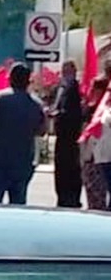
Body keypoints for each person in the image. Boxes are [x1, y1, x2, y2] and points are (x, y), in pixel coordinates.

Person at [0, 63, 46, 205]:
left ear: (10, 79)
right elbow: (42, 130)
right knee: (18, 206)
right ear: (28, 81)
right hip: (23, 163)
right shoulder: (36, 104)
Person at [51, 60, 83, 208]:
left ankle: (71, 199)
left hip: (71, 136)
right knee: (60, 168)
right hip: (60, 135)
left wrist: (58, 114)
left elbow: (74, 113)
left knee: (71, 167)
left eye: (69, 72)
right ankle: (62, 197)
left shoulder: (76, 89)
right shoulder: (60, 88)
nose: (66, 75)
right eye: (64, 72)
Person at [81, 78, 108, 210]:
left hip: (100, 159)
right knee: (91, 196)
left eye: (95, 89)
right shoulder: (90, 109)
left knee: (99, 198)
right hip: (89, 159)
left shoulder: (104, 112)